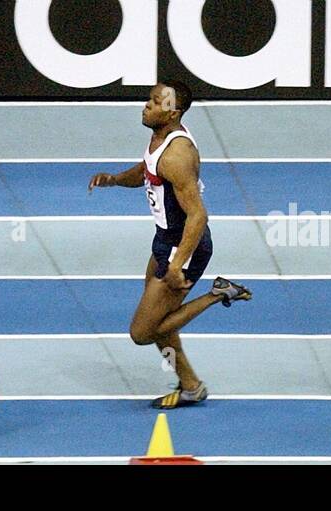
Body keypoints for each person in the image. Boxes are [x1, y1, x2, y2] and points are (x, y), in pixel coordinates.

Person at [89, 81, 252, 409]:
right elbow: (148, 170)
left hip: (183, 247)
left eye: (155, 102)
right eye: (149, 99)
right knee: (159, 320)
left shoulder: (177, 155)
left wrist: (177, 265)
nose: (146, 106)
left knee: (142, 332)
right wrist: (116, 180)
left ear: (173, 112)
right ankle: (190, 385)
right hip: (165, 239)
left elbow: (198, 216)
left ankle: (218, 293)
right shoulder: (159, 138)